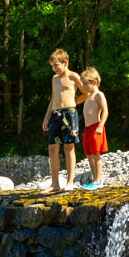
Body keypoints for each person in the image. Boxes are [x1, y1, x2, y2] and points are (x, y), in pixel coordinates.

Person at [42, 49, 86, 193]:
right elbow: (53, 98)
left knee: (69, 147)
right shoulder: (54, 79)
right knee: (52, 148)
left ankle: (70, 182)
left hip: (69, 114)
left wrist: (73, 103)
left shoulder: (74, 76)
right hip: (55, 114)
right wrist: (46, 117)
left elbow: (86, 93)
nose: (54, 69)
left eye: (56, 65)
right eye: (52, 66)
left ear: (65, 63)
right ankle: (55, 184)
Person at [78, 68, 110, 189]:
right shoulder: (88, 96)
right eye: (83, 84)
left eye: (86, 84)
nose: (84, 87)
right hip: (87, 129)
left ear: (94, 82)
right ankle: (93, 179)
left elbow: (105, 111)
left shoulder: (98, 95)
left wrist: (100, 126)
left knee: (96, 155)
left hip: (96, 127)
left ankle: (97, 181)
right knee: (89, 155)